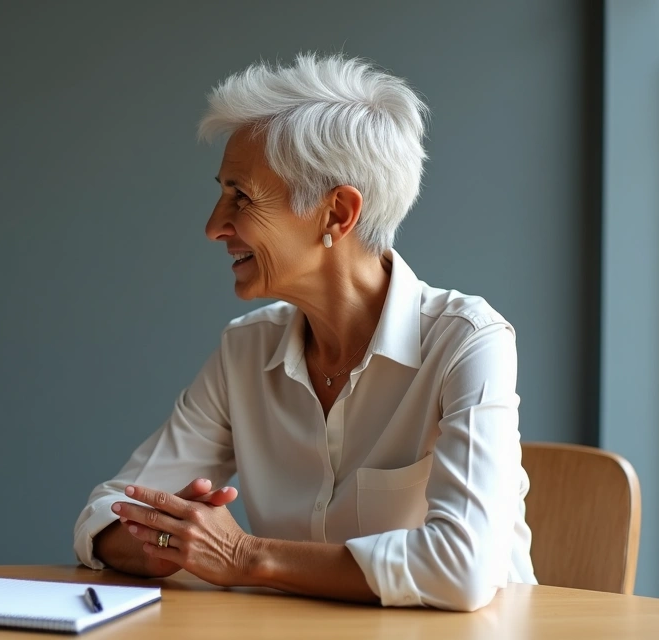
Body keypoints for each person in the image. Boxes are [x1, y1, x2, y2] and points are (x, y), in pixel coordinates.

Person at [73, 53, 535, 612]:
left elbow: (461, 568)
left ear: (336, 213)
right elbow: (106, 513)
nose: (214, 225)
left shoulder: (468, 343)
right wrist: (170, 537)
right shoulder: (244, 352)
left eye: (241, 196)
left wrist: (244, 556)